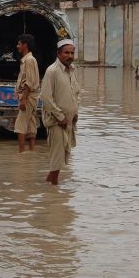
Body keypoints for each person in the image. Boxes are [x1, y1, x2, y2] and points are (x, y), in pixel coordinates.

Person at [40, 39, 80, 185]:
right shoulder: (52, 71)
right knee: (57, 158)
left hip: (69, 121)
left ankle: (50, 187)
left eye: (72, 53)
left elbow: (75, 93)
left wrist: (75, 114)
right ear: (58, 54)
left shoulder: (72, 70)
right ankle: (53, 192)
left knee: (61, 157)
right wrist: (60, 117)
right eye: (66, 53)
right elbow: (45, 97)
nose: (70, 56)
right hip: (57, 121)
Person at [13, 34, 40, 153]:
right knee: (30, 125)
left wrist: (23, 99)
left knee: (21, 126)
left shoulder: (29, 60)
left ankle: (21, 154)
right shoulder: (29, 60)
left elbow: (29, 82)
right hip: (31, 96)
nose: (17, 46)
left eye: (19, 44)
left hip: (28, 97)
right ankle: (31, 154)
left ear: (25, 45)